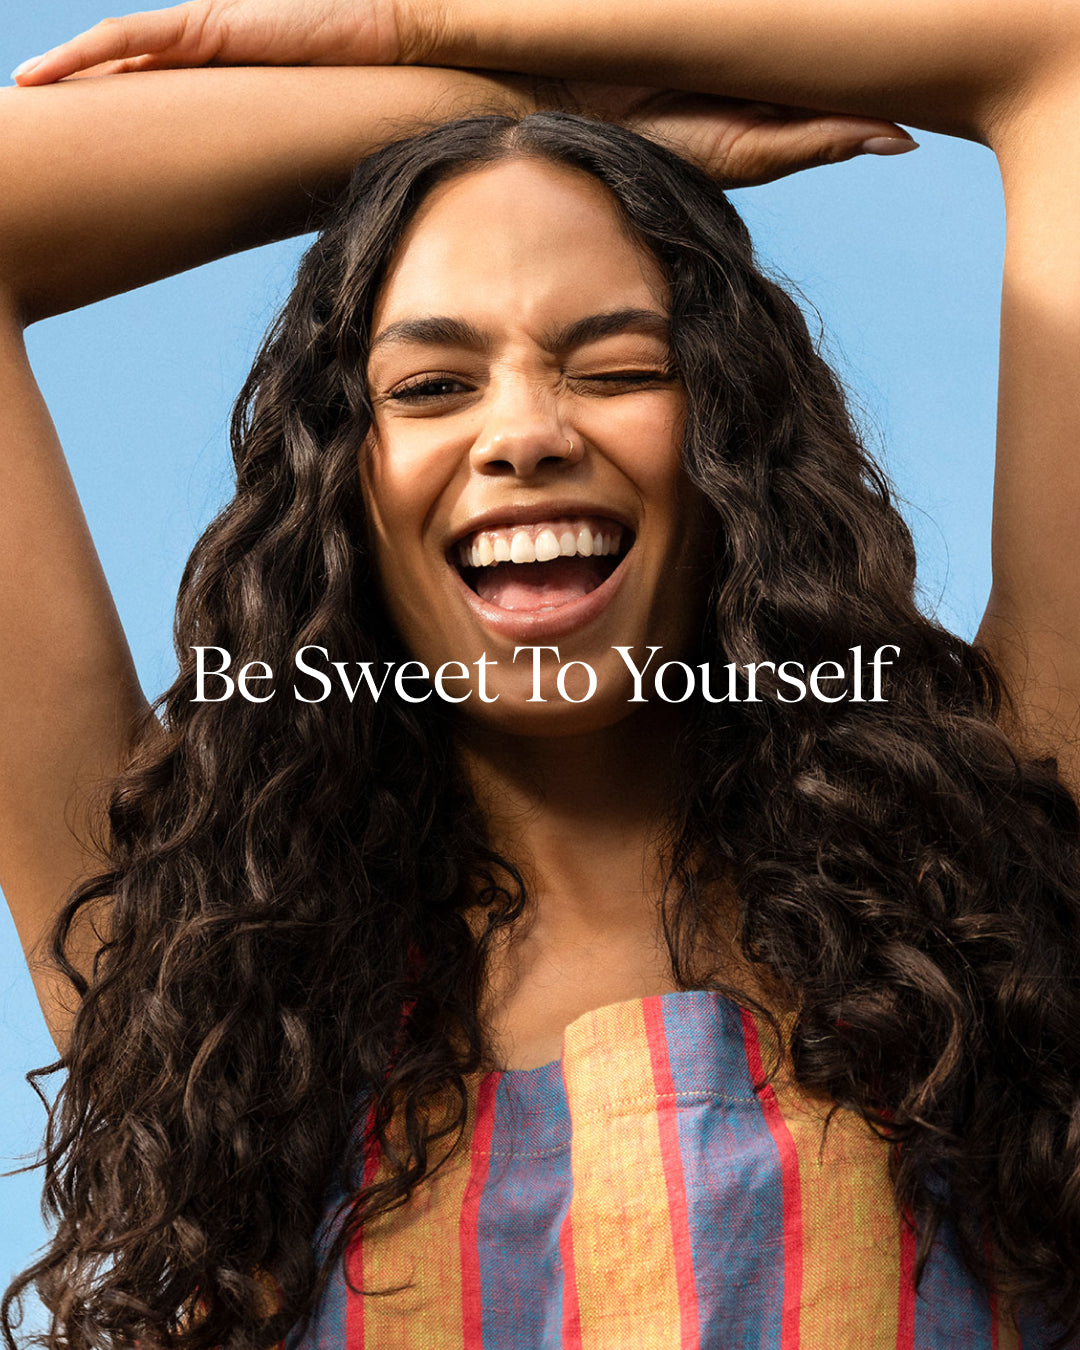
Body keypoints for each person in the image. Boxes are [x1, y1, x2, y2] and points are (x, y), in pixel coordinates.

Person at [2, 1, 1080, 1346]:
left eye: (618, 365)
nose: (524, 431)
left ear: (728, 444)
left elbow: (1059, 59)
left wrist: (424, 33)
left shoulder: (991, 888)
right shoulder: (214, 994)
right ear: (341, 495)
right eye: (432, 386)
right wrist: (517, 111)